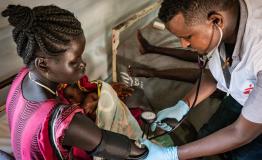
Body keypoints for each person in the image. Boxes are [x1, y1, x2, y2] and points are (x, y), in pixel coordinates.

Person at [2, 5, 147, 160]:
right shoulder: (62, 121)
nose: (83, 64)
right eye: (74, 61)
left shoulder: (23, 76)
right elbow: (108, 144)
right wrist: (149, 151)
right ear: (43, 64)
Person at [141, 0, 262, 160]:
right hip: (241, 95)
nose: (183, 44)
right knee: (207, 134)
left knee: (242, 155)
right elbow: (213, 74)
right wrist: (184, 105)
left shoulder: (257, 49)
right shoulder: (228, 23)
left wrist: (172, 154)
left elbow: (241, 133)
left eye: (187, 36)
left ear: (216, 20)